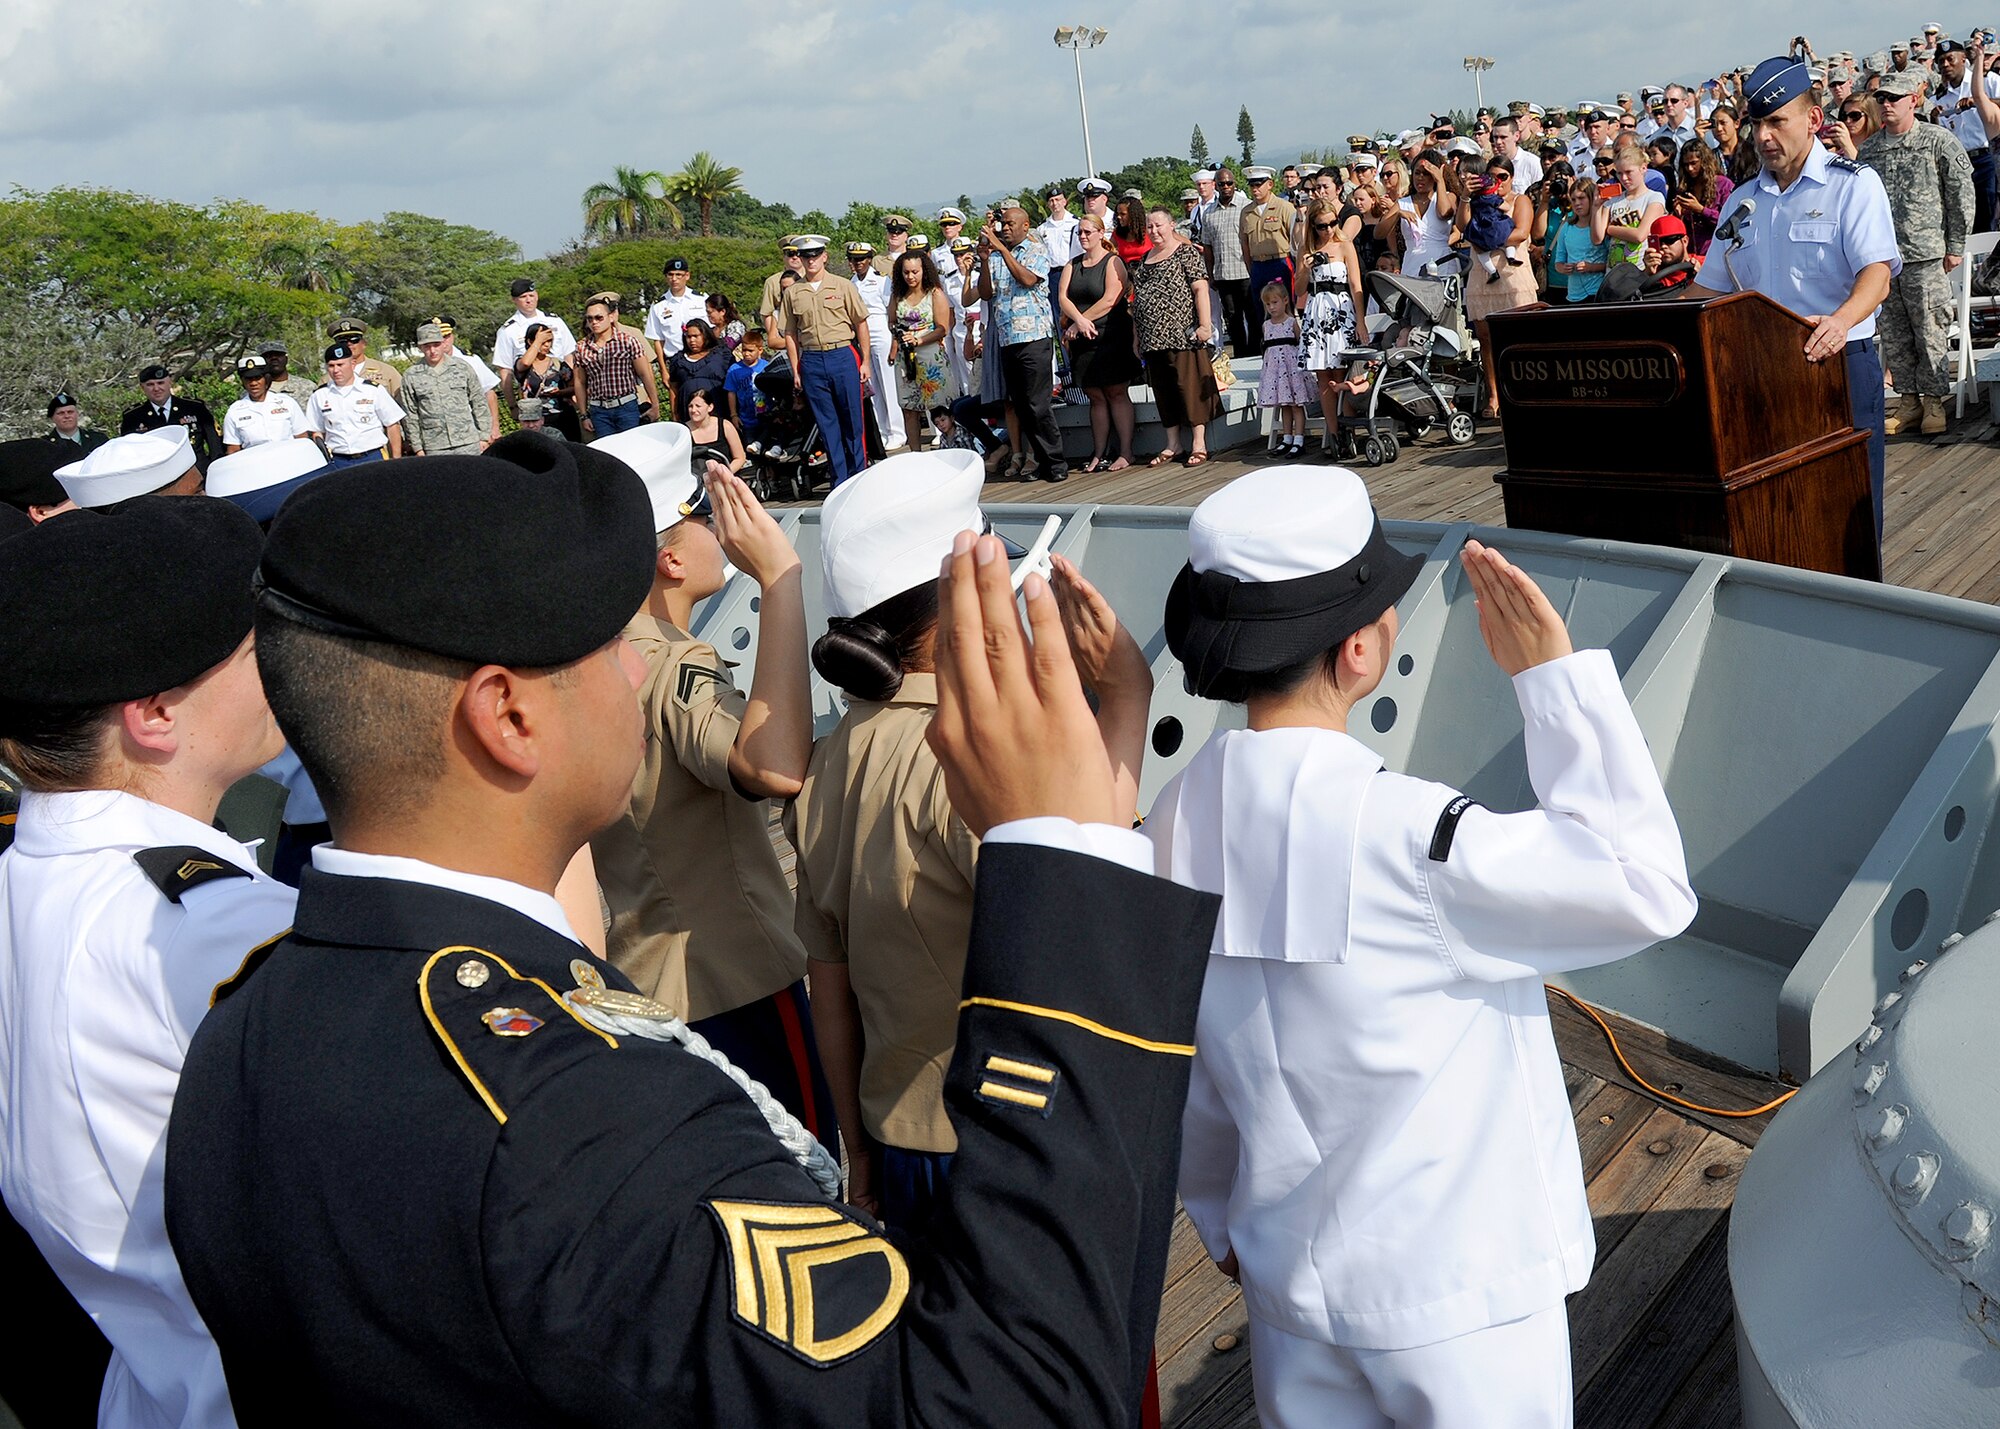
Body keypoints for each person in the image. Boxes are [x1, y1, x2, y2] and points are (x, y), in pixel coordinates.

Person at [163, 432, 1219, 1427]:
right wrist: (1069, 861)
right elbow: (1013, 1400)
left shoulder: (239, 1035)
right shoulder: (596, 1124)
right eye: (601, 647)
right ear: (509, 716)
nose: (637, 667)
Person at [1156, 464, 1693, 1429]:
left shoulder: (1171, 821)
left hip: (1290, 1290)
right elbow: (1644, 884)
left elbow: (1188, 1066)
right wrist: (1553, 680)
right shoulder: (1421, 839)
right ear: (1360, 647)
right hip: (1459, 1300)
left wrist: (1216, 1211)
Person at [792, 451, 1152, 1233]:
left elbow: (832, 987)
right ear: (963, 608)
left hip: (899, 1137)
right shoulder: (968, 766)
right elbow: (1093, 897)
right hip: (1008, 1146)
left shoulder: (831, 760)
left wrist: (857, 1148)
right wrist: (1126, 696)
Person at [0, 495, 297, 1429]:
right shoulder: (213, 926)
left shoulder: (29, 869)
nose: (282, 656)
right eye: (255, 643)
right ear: (158, 713)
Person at [583, 424, 827, 1133]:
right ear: (670, 559)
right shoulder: (669, 661)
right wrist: (780, 582)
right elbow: (773, 765)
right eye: (701, 517)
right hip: (734, 981)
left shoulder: (593, 657)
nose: (719, 531)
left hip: (652, 981)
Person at [1689, 55, 1900, 545]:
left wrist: (1840, 321)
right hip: (1762, 375)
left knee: (1850, 517)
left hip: (1838, 367)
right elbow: (1708, 290)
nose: (1764, 136)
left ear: (1812, 120)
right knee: (1780, 516)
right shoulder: (1745, 201)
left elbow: (1877, 275)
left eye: (1777, 121)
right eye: (1757, 123)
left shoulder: (1853, 184)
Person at [1860, 67, 1976, 438]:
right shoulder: (1870, 149)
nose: (1886, 104)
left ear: (1914, 100)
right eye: (1881, 98)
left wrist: (1956, 245)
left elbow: (1961, 194)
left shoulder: (1938, 141)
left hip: (1927, 254)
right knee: (1894, 333)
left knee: (1930, 331)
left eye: (1894, 98)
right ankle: (1908, 400)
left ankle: (1933, 401)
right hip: (1884, 258)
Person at [972, 204, 1066, 483]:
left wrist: (1002, 250)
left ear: (1026, 226)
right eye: (1004, 224)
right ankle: (1037, 459)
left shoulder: (1035, 250)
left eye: (1012, 224)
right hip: (1007, 338)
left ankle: (1055, 461)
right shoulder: (997, 256)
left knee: (1038, 404)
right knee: (1021, 406)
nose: (1006, 228)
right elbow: (986, 293)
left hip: (1033, 337)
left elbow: (1027, 279)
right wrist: (987, 260)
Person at [778, 235, 871, 487]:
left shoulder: (842, 286)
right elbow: (789, 333)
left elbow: (861, 323)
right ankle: (839, 482)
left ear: (825, 257)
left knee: (853, 420)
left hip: (842, 354)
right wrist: (796, 369)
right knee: (827, 424)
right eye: (806, 256)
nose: (811, 260)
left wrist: (866, 362)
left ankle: (859, 476)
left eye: (815, 255)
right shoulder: (793, 292)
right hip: (812, 360)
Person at [1132, 206, 1219, 469]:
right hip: (1152, 337)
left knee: (1188, 388)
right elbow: (1137, 302)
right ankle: (1173, 443)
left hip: (1183, 334)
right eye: (1149, 226)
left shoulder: (1185, 253)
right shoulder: (1145, 260)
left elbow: (1200, 288)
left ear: (1172, 226)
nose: (1154, 231)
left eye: (1159, 225)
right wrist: (1137, 337)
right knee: (1163, 390)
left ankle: (1198, 443)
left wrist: (1205, 325)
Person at [1058, 213, 1140, 474]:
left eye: (1088, 232)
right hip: (1082, 337)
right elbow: (1063, 298)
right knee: (1095, 395)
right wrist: (1078, 322)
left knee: (1116, 392)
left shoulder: (1112, 261)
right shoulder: (1073, 265)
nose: (1083, 237)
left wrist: (1079, 322)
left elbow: (1110, 299)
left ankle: (1126, 451)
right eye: (1079, 233)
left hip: (1110, 334)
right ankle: (1099, 452)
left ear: (1101, 233)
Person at [1294, 201, 1365, 449]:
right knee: (1324, 376)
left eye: (1333, 223)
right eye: (1323, 226)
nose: (1328, 230)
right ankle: (1334, 434)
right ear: (1313, 226)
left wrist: (1362, 320)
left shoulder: (1345, 245)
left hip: (1342, 309)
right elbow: (1299, 290)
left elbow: (1357, 286)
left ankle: (1350, 432)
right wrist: (1305, 267)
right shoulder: (1307, 248)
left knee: (1343, 373)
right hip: (1317, 309)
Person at [1932, 40, 2000, 230]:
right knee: (1966, 215)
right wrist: (1934, 118)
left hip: (1986, 158)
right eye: (1941, 61)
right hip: (1959, 162)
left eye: (1950, 59)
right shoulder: (1938, 98)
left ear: (1963, 59)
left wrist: (1981, 101)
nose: (1945, 65)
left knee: (1990, 213)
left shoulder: (1987, 81)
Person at [396, 322, 490, 457]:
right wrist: (417, 447)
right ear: (420, 348)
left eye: (436, 345)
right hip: (434, 446)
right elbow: (411, 414)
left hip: (468, 441)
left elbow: (478, 401)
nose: (432, 351)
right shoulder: (411, 375)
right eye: (427, 346)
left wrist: (484, 435)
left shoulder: (461, 368)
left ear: (443, 343)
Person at [572, 294, 661, 438]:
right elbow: (580, 382)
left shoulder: (628, 341)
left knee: (632, 448)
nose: (594, 322)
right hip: (599, 409)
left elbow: (645, 373)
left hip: (626, 405)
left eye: (599, 318)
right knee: (608, 455)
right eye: (590, 319)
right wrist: (583, 415)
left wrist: (655, 404)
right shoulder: (581, 347)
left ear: (611, 317)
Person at [888, 251, 952, 451]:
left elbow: (943, 328)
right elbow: (891, 321)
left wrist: (919, 339)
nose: (910, 277)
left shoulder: (935, 294)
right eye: (906, 272)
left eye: (915, 272)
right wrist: (897, 332)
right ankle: (915, 454)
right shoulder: (897, 295)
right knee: (909, 409)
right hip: (906, 359)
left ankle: (950, 448)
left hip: (930, 355)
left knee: (939, 408)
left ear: (924, 270)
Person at [847, 241, 906, 453]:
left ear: (869, 259)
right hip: (860, 337)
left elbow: (891, 310)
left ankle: (897, 431)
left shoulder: (881, 281)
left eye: (862, 258)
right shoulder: (850, 283)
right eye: (854, 259)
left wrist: (894, 340)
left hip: (881, 332)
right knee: (872, 387)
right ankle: (881, 430)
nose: (858, 263)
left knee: (888, 384)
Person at [306, 342, 405, 465]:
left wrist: (396, 460)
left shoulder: (372, 390)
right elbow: (316, 431)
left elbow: (392, 424)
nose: (336, 370)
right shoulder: (319, 395)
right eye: (331, 366)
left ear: (352, 364)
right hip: (339, 460)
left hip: (373, 456)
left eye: (340, 365)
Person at [1239, 168, 1297, 355]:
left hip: (1280, 262)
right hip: (1258, 265)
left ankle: (1292, 348)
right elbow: (1245, 244)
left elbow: (1295, 240)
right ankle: (1269, 351)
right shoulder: (1246, 212)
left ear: (1270, 184)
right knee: (1262, 310)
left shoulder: (1284, 207)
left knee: (1287, 308)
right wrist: (1251, 268)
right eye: (1252, 185)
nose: (1255, 189)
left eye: (1259, 184)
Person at [120, 364, 221, 464]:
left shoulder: (195, 407)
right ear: (142, 387)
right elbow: (129, 454)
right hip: (158, 476)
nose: (156, 388)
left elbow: (215, 445)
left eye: (160, 383)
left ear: (170, 382)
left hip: (197, 473)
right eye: (150, 385)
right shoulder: (132, 416)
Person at [1202, 168, 1254, 354]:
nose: (1226, 187)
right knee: (1233, 318)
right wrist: (1210, 274)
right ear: (1216, 185)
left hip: (1245, 271)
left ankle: (1255, 354)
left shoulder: (1247, 206)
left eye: (1229, 183)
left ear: (1235, 184)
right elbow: (1207, 247)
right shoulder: (1208, 213)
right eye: (1222, 184)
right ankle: (1241, 354)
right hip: (1223, 274)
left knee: (1252, 315)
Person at [1257, 281, 1311, 458]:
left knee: (1296, 404)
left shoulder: (1291, 322)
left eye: (1275, 302)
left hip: (1291, 370)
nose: (1271, 307)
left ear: (1285, 300)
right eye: (1268, 304)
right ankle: (1287, 438)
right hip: (1276, 373)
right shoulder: (1266, 326)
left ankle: (1299, 439)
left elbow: (1299, 343)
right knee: (1284, 405)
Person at [220, 354, 310, 453]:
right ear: (243, 381)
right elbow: (233, 449)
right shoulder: (234, 411)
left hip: (289, 459)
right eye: (248, 379)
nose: (253, 383)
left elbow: (302, 438)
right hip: (256, 464)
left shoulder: (287, 403)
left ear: (266, 379)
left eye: (257, 378)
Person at [1594, 147, 1666, 269]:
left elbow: (1639, 235)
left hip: (1640, 271)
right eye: (1620, 173)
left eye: (1629, 172)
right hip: (1613, 272)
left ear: (1643, 168)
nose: (1624, 178)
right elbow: (1597, 238)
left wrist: (1610, 229)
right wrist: (1596, 206)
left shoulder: (1654, 197)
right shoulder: (1613, 200)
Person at [503, 322, 577, 438]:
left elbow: (575, 387)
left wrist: (560, 393)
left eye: (549, 341)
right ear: (530, 341)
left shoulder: (557, 364)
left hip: (561, 417)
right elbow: (525, 363)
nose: (547, 345)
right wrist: (537, 341)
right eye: (543, 342)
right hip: (534, 420)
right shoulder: (523, 364)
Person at [646, 257, 710, 388]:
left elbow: (712, 330)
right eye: (670, 275)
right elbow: (658, 340)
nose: (674, 279)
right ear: (666, 277)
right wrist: (663, 370)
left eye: (679, 275)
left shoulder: (701, 299)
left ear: (687, 276)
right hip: (675, 361)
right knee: (678, 406)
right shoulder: (658, 305)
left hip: (703, 358)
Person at [492, 278, 576, 371]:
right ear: (514, 300)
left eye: (531, 295)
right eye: (523, 297)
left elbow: (569, 354)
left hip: (561, 380)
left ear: (536, 296)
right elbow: (505, 368)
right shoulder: (508, 331)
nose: (528, 300)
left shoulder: (555, 321)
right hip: (530, 381)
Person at [1552, 178, 1614, 301]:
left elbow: (1611, 262)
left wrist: (1591, 267)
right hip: (1573, 294)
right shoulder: (1567, 227)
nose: (1577, 203)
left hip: (1597, 291)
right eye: (1574, 199)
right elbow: (1559, 261)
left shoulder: (1601, 225)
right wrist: (1563, 268)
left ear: (1592, 198)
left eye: (1582, 198)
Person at [1672, 138, 1736, 253]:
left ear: (1704, 161)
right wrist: (1678, 215)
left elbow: (1730, 221)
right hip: (1691, 253)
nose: (1690, 169)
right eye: (1686, 165)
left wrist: (1701, 210)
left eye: (1694, 163)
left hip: (1716, 251)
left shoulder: (1723, 184)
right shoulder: (1685, 187)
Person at [667, 317, 734, 417]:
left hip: (718, 412)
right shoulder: (678, 361)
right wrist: (674, 414)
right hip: (688, 416)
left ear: (705, 336)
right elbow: (673, 388)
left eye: (695, 336)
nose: (692, 340)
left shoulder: (721, 355)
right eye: (689, 337)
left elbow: (733, 383)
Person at [324, 318, 404, 399]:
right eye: (342, 341)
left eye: (354, 339)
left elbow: (402, 401)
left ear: (364, 343)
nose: (349, 344)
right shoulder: (327, 379)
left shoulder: (387, 371)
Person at [678, 387, 746, 473]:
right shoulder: (683, 431)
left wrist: (724, 474)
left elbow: (740, 458)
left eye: (698, 406)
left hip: (725, 477)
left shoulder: (725, 426)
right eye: (690, 406)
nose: (693, 410)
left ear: (710, 407)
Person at [724, 328, 772, 442]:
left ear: (760, 350)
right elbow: (731, 392)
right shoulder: (734, 369)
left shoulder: (767, 367)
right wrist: (734, 415)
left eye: (750, 351)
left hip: (766, 416)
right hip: (746, 419)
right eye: (744, 350)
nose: (746, 354)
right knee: (749, 445)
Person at [759, 237, 806, 346]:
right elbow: (767, 314)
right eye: (790, 254)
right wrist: (778, 339)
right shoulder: (772, 281)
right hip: (783, 336)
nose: (794, 257)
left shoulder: (811, 278)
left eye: (797, 253)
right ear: (783, 257)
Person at [254, 342, 318, 412]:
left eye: (278, 355)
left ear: (286, 358)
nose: (274, 358)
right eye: (268, 356)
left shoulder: (307, 387)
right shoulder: (254, 390)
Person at [1111, 193, 1152, 265]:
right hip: (1125, 273)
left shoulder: (1150, 231)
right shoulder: (1117, 233)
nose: (1119, 217)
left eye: (1123, 214)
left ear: (1133, 215)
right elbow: (1107, 250)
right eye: (1118, 214)